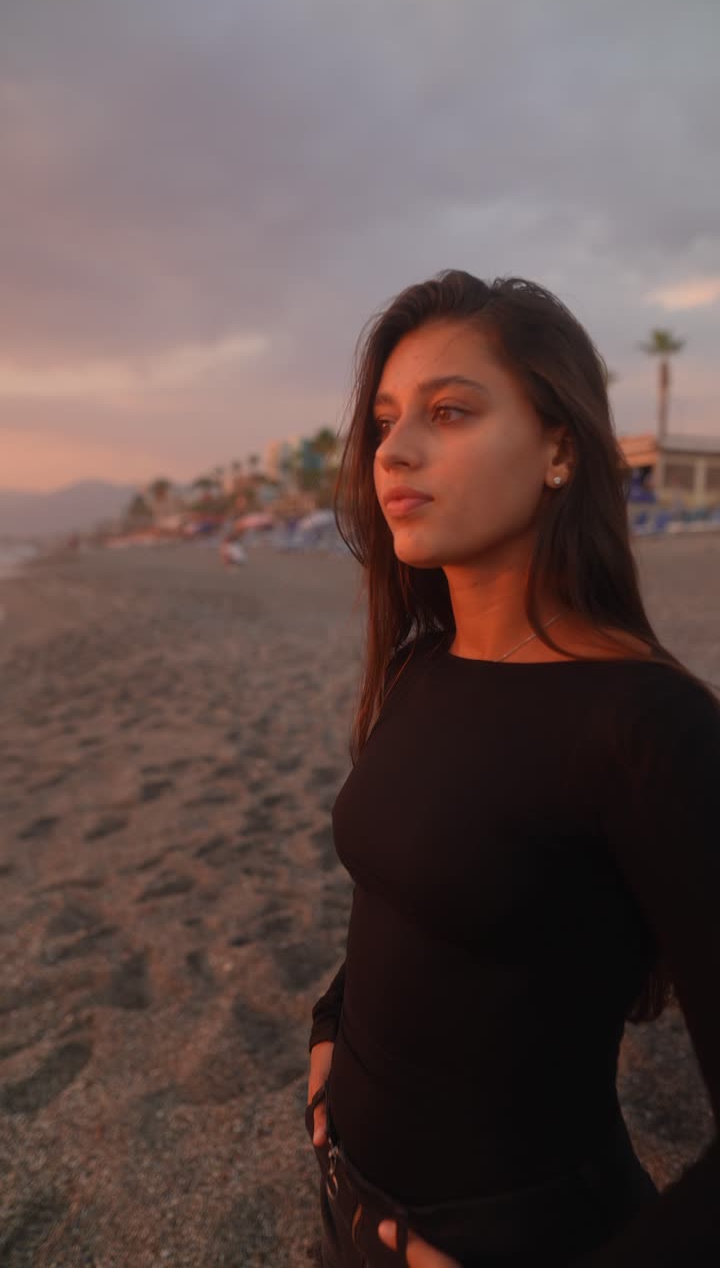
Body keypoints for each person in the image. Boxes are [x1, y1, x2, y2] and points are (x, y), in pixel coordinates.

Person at [304, 272, 720, 1267]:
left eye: (448, 411)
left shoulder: (648, 726)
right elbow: (403, 899)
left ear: (560, 447)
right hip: (339, 1206)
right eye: (387, 420)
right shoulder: (418, 665)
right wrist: (327, 1038)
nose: (394, 451)